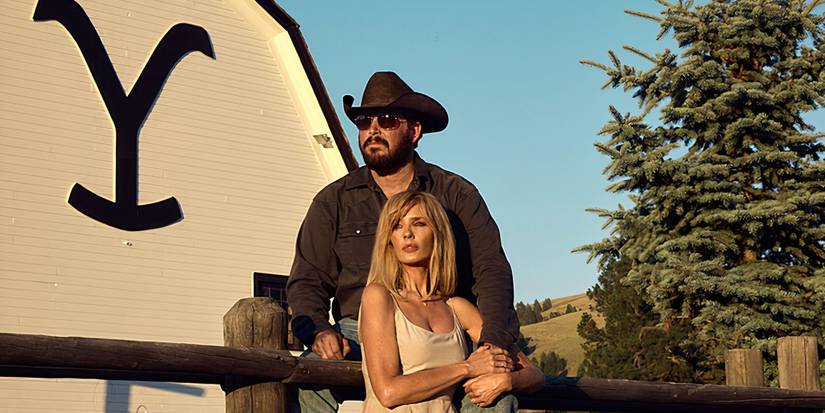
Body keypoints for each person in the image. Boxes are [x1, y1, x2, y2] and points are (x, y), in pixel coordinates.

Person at [287, 71, 520, 411]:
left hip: (443, 322)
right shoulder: (333, 201)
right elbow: (307, 280)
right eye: (365, 121)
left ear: (414, 131)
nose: (373, 130)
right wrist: (320, 331)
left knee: (498, 397)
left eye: (387, 119)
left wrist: (492, 342)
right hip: (360, 331)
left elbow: (492, 270)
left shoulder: (456, 194)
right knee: (310, 379)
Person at [360, 191, 544, 412]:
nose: (407, 233)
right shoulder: (380, 296)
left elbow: (535, 374)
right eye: (397, 226)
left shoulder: (456, 307)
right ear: (389, 239)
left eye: (418, 223)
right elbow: (389, 392)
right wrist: (467, 368)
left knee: (503, 400)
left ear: (437, 233)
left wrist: (507, 381)